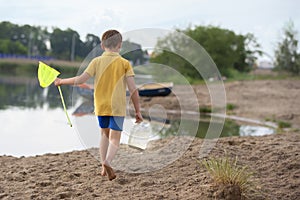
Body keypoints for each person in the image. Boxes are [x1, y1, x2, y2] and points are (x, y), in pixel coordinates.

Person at [54, 29, 143, 181]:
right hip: (117, 107)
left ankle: (103, 166)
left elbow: (81, 80)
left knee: (104, 134)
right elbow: (133, 89)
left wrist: (61, 81)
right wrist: (138, 111)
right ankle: (108, 161)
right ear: (120, 45)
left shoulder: (96, 62)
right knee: (115, 138)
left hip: (101, 106)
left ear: (102, 45)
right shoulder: (124, 63)